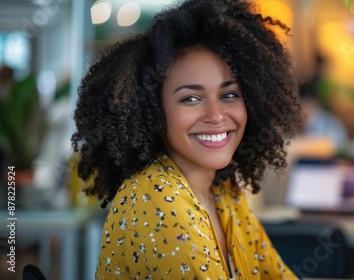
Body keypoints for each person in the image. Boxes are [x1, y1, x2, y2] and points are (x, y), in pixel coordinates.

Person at [71, 0, 303, 279]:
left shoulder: (222, 191)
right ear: (154, 111)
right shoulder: (156, 199)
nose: (216, 115)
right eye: (190, 98)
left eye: (229, 94)